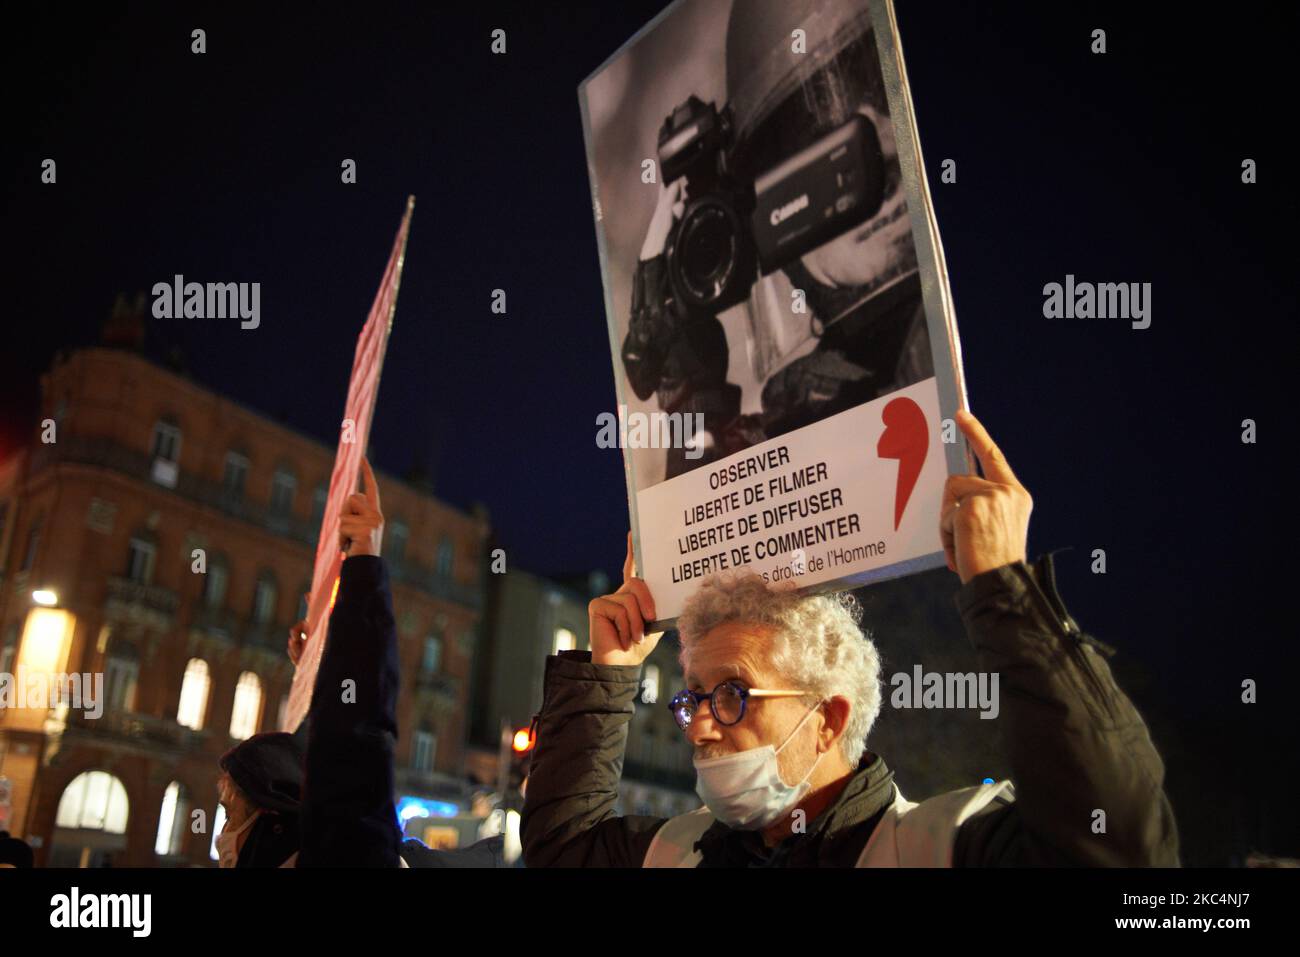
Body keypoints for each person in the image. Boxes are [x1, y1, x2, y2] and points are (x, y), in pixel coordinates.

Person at [521, 411, 1180, 867]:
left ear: (828, 717)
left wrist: (1007, 590)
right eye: (693, 697)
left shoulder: (942, 846)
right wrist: (608, 676)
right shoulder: (677, 850)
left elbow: (1120, 846)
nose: (698, 727)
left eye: (731, 694)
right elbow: (562, 850)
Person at [622, 0, 932, 479]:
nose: (883, 151)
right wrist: (690, 395)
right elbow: (718, 542)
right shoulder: (796, 417)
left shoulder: (953, 347)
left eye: (885, 96)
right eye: (820, 132)